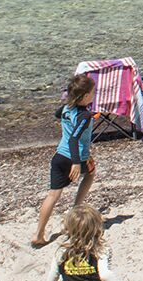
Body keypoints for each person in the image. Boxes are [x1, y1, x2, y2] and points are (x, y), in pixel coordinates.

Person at [33, 73, 100, 248]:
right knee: (90, 173)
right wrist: (76, 162)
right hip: (74, 158)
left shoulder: (65, 108)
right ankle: (75, 210)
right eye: (93, 93)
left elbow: (58, 114)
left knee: (53, 195)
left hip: (58, 158)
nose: (94, 95)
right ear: (85, 96)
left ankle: (38, 234)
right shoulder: (84, 116)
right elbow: (73, 139)